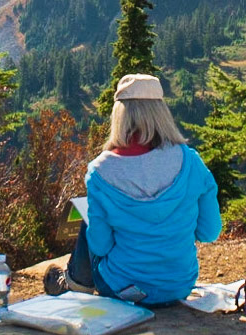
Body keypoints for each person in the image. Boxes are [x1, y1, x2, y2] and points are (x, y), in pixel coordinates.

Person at [44, 73, 221, 305]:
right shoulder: (191, 162)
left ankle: (76, 282)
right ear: (161, 113)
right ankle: (76, 280)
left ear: (119, 115)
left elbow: (100, 245)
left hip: (121, 288)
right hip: (179, 286)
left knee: (89, 213)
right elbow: (210, 232)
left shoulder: (100, 172)